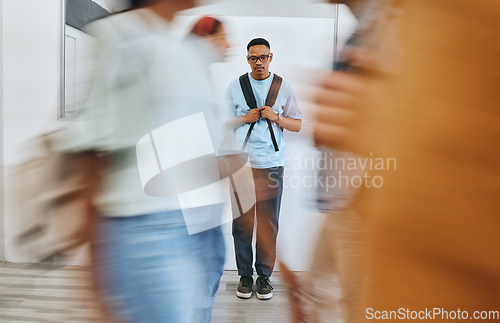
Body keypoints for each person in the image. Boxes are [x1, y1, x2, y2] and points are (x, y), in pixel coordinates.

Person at [312, 0, 500, 321]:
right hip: (344, 198)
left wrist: (389, 125)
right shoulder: (381, 17)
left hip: (379, 204)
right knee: (322, 290)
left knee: (355, 301)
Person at [54, 0, 232, 322]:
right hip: (144, 227)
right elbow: (92, 152)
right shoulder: (121, 34)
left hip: (193, 223)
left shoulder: (180, 50)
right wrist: (94, 271)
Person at [225, 38, 303, 300]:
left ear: (271, 57)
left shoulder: (283, 86)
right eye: (252, 58)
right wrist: (244, 118)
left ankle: (265, 278)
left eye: (263, 57)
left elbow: (297, 125)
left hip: (271, 164)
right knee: (242, 224)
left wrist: (276, 117)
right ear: (247, 59)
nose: (258, 62)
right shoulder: (235, 87)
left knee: (268, 224)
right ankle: (245, 277)